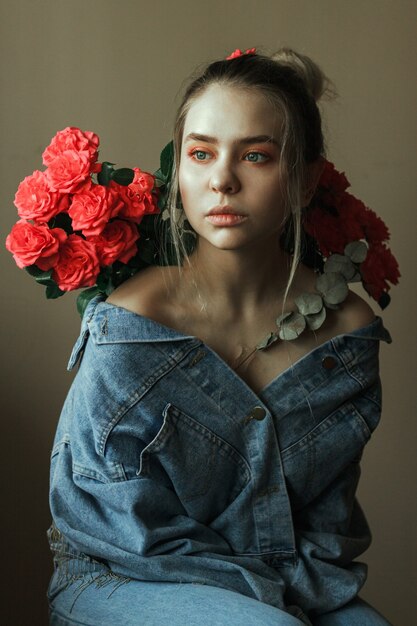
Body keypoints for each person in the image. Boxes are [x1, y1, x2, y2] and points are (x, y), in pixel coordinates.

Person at [47, 48, 394, 625]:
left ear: (306, 181)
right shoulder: (132, 324)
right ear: (178, 170)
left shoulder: (346, 335)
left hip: (289, 580)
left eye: (256, 156)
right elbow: (113, 527)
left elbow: (328, 526)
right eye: (201, 153)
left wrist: (288, 596)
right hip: (122, 577)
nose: (222, 180)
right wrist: (264, 603)